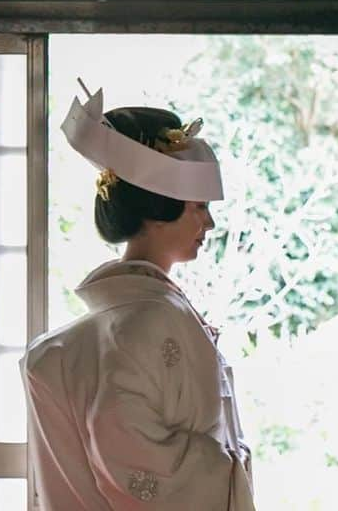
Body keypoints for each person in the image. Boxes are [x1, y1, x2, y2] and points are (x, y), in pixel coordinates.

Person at [20, 84, 256, 510]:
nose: (210, 223)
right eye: (198, 207)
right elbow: (129, 451)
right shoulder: (146, 319)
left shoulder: (135, 314)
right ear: (157, 208)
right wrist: (228, 466)